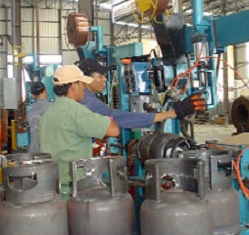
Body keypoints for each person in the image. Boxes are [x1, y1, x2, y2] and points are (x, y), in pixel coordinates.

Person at [39, 65, 119, 197]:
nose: (84, 88)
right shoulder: (77, 112)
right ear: (74, 85)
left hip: (53, 186)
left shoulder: (48, 113)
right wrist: (106, 116)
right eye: (82, 84)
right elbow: (114, 130)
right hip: (74, 190)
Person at [77, 58, 205, 128]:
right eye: (100, 76)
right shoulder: (88, 101)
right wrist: (172, 113)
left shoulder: (80, 97)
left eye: (105, 76)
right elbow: (115, 118)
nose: (105, 79)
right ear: (86, 79)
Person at [27, 81, 51, 153]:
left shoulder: (30, 110)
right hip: (49, 150)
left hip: (34, 150)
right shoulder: (51, 107)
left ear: (33, 95)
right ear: (45, 90)